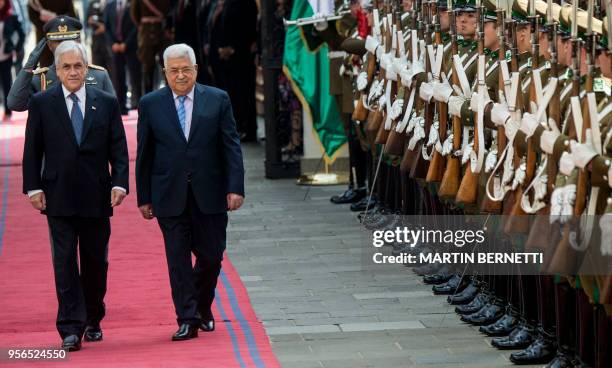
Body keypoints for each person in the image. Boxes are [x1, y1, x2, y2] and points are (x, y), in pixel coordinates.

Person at [22, 40, 129, 351]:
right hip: (58, 196)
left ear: (87, 68)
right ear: (57, 70)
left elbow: (119, 148)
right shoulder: (43, 102)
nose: (72, 71)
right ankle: (70, 326)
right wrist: (34, 187)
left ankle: (93, 316)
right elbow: (32, 150)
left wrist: (119, 183)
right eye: (66, 66)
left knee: (96, 262)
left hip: (97, 195)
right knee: (65, 261)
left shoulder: (106, 101)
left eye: (77, 66)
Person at [135, 43, 244, 341]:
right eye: (174, 71)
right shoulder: (150, 104)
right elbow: (144, 153)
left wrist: (236, 187)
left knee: (211, 256)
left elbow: (231, 146)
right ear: (165, 73)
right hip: (168, 194)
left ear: (196, 69)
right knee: (178, 260)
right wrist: (143, 196)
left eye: (186, 69)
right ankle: (187, 317)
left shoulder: (218, 99)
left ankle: (201, 306)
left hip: (210, 192)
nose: (181, 76)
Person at [7, 15, 115, 112]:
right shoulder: (40, 79)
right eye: (58, 42)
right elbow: (15, 104)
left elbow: (112, 113)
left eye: (69, 40)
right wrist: (28, 67)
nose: (64, 46)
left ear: (78, 41)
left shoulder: (99, 76)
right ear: (49, 45)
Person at [104, 0, 141, 115]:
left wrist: (126, 44)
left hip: (131, 47)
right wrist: (113, 44)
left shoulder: (134, 3)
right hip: (115, 48)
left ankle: (139, 105)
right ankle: (121, 107)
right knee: (118, 78)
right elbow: (107, 27)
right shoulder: (109, 6)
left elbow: (136, 25)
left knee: (136, 78)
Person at [130, 0, 171, 94]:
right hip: (150, 33)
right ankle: (148, 97)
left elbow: (169, 10)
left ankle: (170, 97)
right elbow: (135, 14)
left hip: (159, 33)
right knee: (147, 68)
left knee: (166, 66)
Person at [26, 0, 76, 67]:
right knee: (46, 71)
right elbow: (32, 15)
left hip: (63, 40)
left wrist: (55, 17)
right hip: (45, 41)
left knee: (65, 68)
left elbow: (72, 16)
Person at [0, 0, 24, 120]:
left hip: (5, 56)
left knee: (6, 83)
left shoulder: (11, 16)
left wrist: (16, 48)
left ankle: (8, 111)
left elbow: (21, 33)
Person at [86, 0, 112, 70]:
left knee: (113, 73)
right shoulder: (92, 3)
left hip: (110, 45)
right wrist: (99, 25)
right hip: (96, 44)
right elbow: (88, 21)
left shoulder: (112, 3)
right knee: (97, 71)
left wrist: (104, 28)